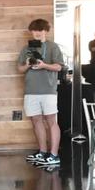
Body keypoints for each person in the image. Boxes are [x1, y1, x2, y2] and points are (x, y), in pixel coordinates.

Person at [18, 19, 65, 167]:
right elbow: (19, 69)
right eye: (35, 30)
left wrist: (44, 65)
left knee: (51, 121)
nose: (37, 33)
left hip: (48, 90)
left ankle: (54, 155)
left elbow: (59, 67)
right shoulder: (26, 49)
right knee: (36, 121)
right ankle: (43, 152)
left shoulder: (53, 47)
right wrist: (27, 64)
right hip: (31, 90)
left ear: (46, 31)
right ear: (31, 32)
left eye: (41, 30)